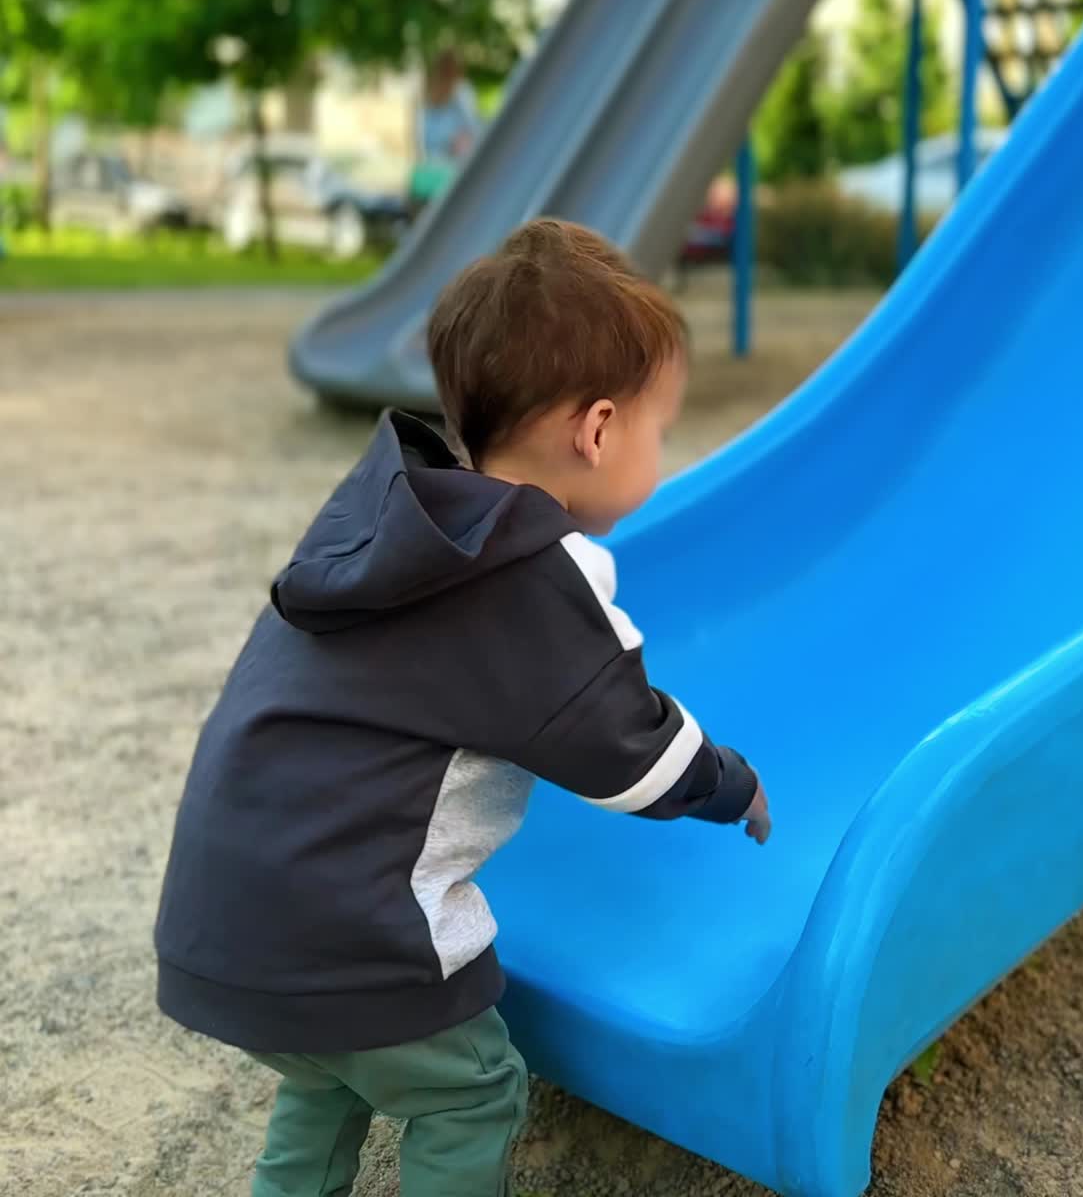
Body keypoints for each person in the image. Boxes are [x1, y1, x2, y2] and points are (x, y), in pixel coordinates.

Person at [153, 217, 772, 1197]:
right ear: (598, 428)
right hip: (353, 929)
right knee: (471, 1088)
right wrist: (728, 781)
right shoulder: (530, 581)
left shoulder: (391, 526)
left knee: (330, 1072)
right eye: (660, 425)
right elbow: (628, 751)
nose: (659, 446)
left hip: (227, 918)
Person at [412, 46, 481, 205]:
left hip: (431, 169)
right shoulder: (462, 91)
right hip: (454, 169)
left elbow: (420, 136)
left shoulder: (426, 93)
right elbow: (473, 126)